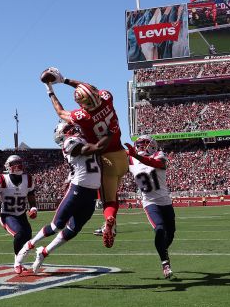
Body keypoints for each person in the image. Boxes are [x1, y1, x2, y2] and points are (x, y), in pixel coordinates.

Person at [42, 67, 128, 248]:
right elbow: (89, 87)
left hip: (107, 159)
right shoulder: (107, 97)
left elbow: (61, 113)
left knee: (108, 200)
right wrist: (64, 79)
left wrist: (50, 89)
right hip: (122, 155)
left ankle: (109, 222)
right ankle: (110, 222)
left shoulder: (83, 117)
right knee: (114, 196)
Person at [19, 121, 109, 273]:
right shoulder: (69, 143)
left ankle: (44, 253)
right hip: (78, 188)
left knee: (74, 229)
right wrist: (111, 132)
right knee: (56, 226)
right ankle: (29, 244)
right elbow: (98, 147)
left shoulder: (83, 139)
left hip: (92, 191)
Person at [0, 155, 38, 274]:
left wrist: (33, 208)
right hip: (7, 215)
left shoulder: (28, 179)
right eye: (14, 163)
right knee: (19, 235)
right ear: (8, 166)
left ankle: (19, 261)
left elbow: (31, 197)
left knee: (28, 238)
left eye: (19, 162)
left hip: (21, 214)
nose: (18, 165)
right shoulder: (3, 179)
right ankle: (17, 263)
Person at [126, 135, 176, 279]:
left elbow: (157, 164)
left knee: (170, 234)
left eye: (145, 144)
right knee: (159, 229)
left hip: (165, 202)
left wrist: (136, 156)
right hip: (150, 202)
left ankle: (162, 251)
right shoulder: (130, 159)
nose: (143, 147)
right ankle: (165, 263)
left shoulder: (159, 155)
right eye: (140, 144)